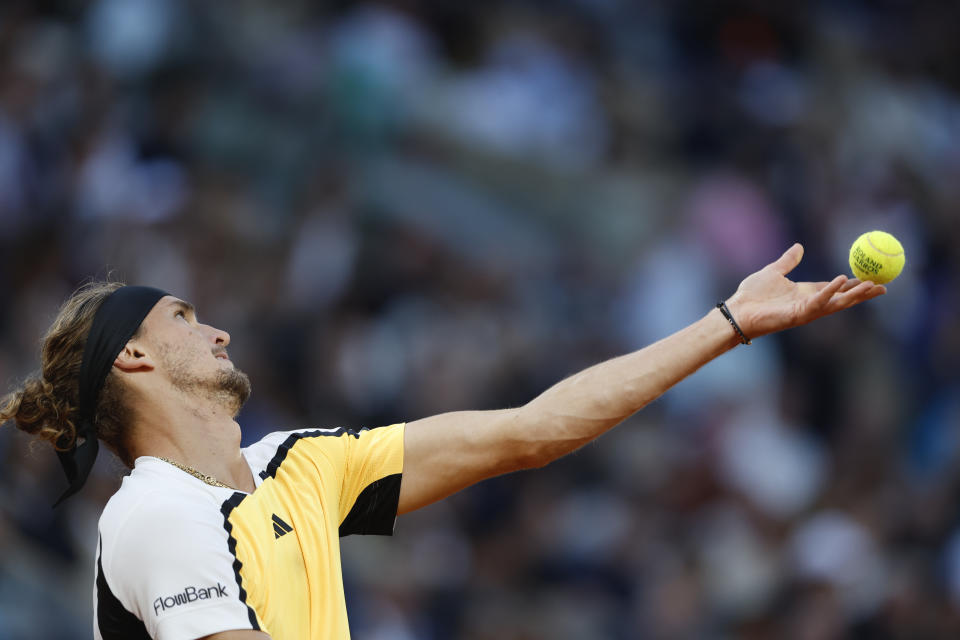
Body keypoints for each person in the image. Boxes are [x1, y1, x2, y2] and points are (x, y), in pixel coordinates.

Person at [0, 244, 885, 640]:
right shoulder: (152, 511)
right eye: (185, 318)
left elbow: (532, 433)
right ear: (135, 359)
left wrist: (726, 324)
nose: (219, 332)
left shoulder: (298, 468)